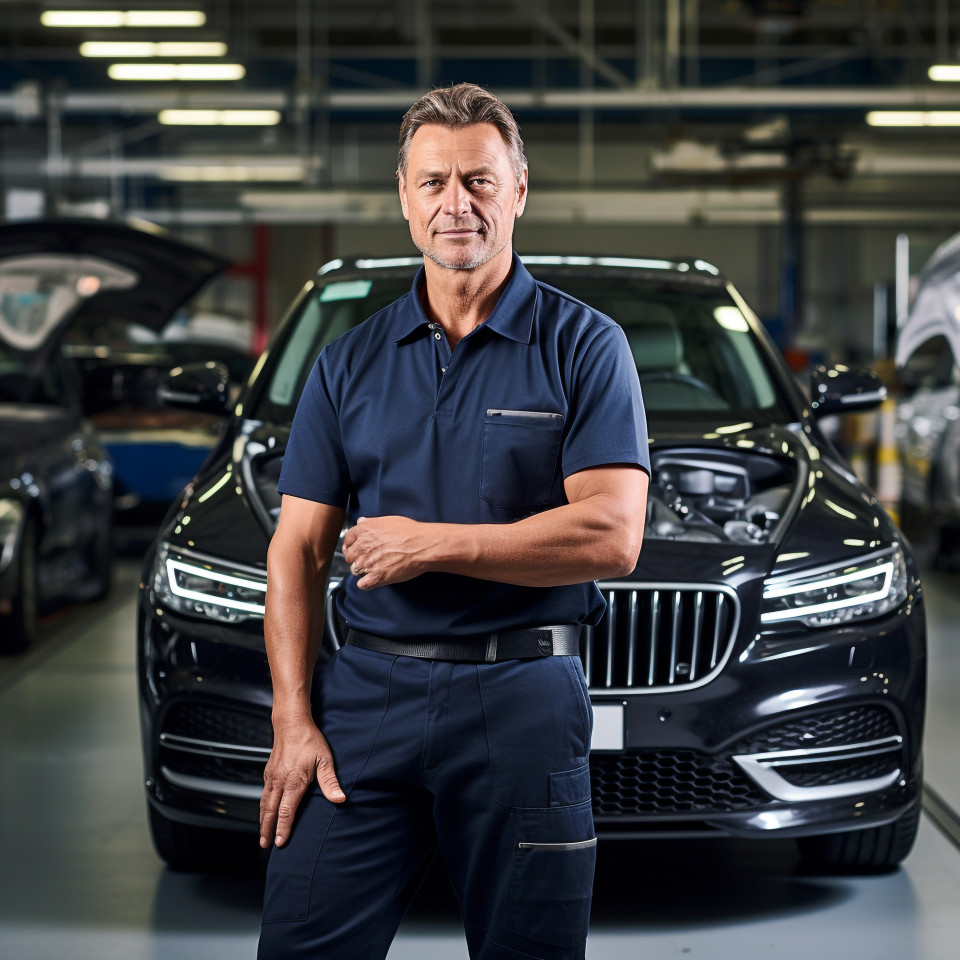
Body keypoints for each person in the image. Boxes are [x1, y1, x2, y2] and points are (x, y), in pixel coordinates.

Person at [257, 82, 650, 960]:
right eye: (433, 183)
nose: (456, 204)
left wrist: (431, 544)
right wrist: (293, 717)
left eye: (478, 180)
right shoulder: (348, 363)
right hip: (363, 703)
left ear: (517, 192)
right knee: (300, 942)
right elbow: (296, 549)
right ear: (405, 198)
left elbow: (612, 536)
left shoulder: (584, 346)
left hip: (522, 702)